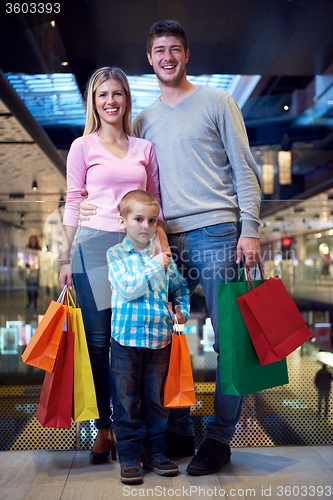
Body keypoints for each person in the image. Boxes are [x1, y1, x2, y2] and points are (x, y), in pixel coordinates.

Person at [79, 20, 261, 476]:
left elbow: (245, 168)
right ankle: (177, 430)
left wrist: (250, 228)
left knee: (229, 343)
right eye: (159, 49)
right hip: (159, 239)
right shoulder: (143, 120)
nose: (167, 56)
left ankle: (219, 439)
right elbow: (133, 182)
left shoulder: (218, 101)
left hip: (217, 232)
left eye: (175, 48)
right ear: (149, 58)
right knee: (164, 337)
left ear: (186, 54)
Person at [59, 66, 167, 465]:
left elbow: (156, 203)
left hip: (138, 251)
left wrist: (162, 251)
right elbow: (73, 201)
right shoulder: (82, 146)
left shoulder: (144, 148)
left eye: (117, 94)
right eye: (102, 95)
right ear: (94, 101)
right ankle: (105, 430)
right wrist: (64, 256)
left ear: (126, 100)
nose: (110, 102)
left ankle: (130, 430)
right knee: (101, 343)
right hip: (94, 249)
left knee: (133, 343)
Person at [107, 190, 190, 485]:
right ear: (123, 221)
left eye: (151, 220)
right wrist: (157, 262)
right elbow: (128, 288)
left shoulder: (166, 260)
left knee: (156, 401)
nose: (145, 225)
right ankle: (129, 456)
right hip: (126, 341)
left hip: (160, 341)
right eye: (138, 219)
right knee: (126, 401)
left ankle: (155, 452)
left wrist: (182, 310)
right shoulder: (116, 255)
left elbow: (180, 288)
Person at [25, 235, 41, 309]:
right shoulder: (27, 248)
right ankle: (29, 301)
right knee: (28, 287)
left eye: (34, 240)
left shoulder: (39, 249)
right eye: (32, 240)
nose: (33, 241)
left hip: (36, 270)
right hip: (29, 270)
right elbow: (25, 258)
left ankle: (35, 302)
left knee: (35, 287)